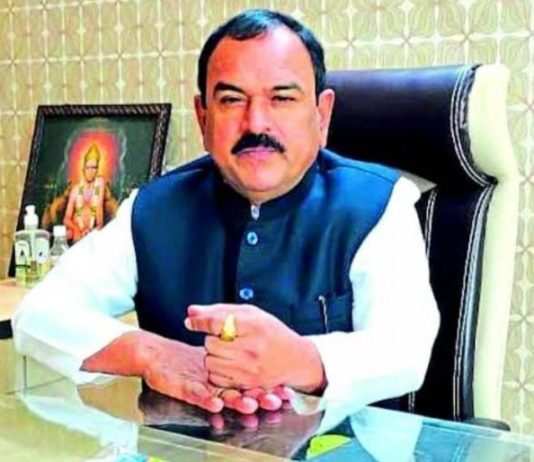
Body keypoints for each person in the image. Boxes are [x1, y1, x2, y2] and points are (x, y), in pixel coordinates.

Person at [13, 9, 439, 416]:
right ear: (203, 118)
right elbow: (39, 315)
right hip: (185, 449)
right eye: (232, 100)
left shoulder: (377, 204)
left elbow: (407, 349)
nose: (256, 123)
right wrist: (155, 354)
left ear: (321, 114)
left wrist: (304, 359)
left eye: (282, 98)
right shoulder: (154, 209)